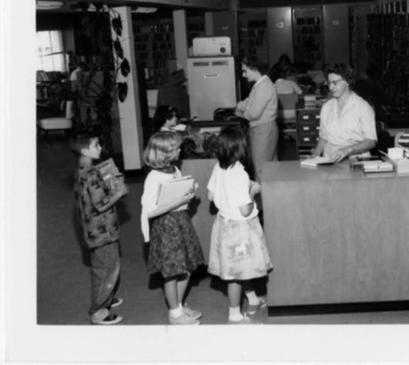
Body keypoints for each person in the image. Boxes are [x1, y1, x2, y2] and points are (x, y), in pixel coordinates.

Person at [207, 126, 273, 324]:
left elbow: (210, 196)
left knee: (243, 267)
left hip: (223, 224)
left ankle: (251, 298)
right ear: (241, 148)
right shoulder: (240, 174)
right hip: (240, 228)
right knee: (236, 274)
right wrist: (253, 190)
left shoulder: (218, 166)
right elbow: (245, 209)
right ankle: (234, 316)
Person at [140, 131, 205, 325]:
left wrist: (188, 193)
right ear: (164, 153)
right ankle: (174, 313)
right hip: (166, 227)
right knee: (171, 272)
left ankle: (178, 304)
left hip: (181, 222)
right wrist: (178, 200)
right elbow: (149, 211)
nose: (180, 150)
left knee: (186, 268)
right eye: (176, 148)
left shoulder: (174, 170)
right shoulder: (153, 177)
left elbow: (177, 193)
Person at [73, 133, 126, 325]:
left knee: (102, 267)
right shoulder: (91, 174)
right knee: (106, 270)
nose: (100, 148)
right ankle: (98, 311)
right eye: (96, 145)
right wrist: (119, 191)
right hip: (103, 232)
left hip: (93, 230)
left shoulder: (83, 170)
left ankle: (106, 298)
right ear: (84, 150)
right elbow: (101, 204)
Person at [312, 63, 377, 162]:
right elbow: (323, 136)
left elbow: (370, 141)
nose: (330, 87)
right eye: (329, 83)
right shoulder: (327, 107)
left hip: (356, 160)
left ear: (347, 81)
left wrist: (348, 150)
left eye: (335, 82)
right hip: (330, 159)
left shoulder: (363, 107)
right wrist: (316, 155)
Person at [234, 56, 278, 181]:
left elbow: (253, 114)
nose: (243, 75)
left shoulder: (263, 86)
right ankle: (271, 197)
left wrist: (239, 114)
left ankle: (264, 199)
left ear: (254, 69)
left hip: (263, 130)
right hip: (265, 128)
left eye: (245, 71)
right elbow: (249, 101)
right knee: (270, 167)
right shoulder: (260, 85)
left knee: (261, 168)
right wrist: (237, 106)